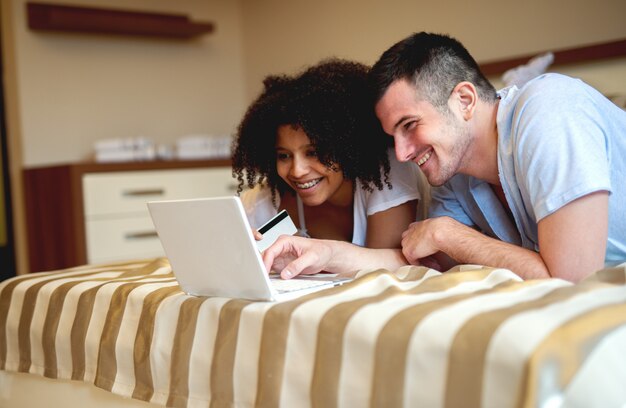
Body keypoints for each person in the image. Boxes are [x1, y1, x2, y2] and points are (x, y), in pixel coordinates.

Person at [262, 32, 626, 282]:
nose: (402, 153)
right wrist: (323, 255)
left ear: (464, 100)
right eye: (394, 136)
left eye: (410, 125)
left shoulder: (550, 112)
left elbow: (571, 282)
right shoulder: (455, 176)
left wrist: (452, 235)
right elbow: (422, 260)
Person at [232, 59, 426, 249]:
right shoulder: (263, 203)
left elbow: (386, 271)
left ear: (346, 145)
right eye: (284, 156)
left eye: (313, 152)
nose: (297, 171)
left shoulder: (385, 172)